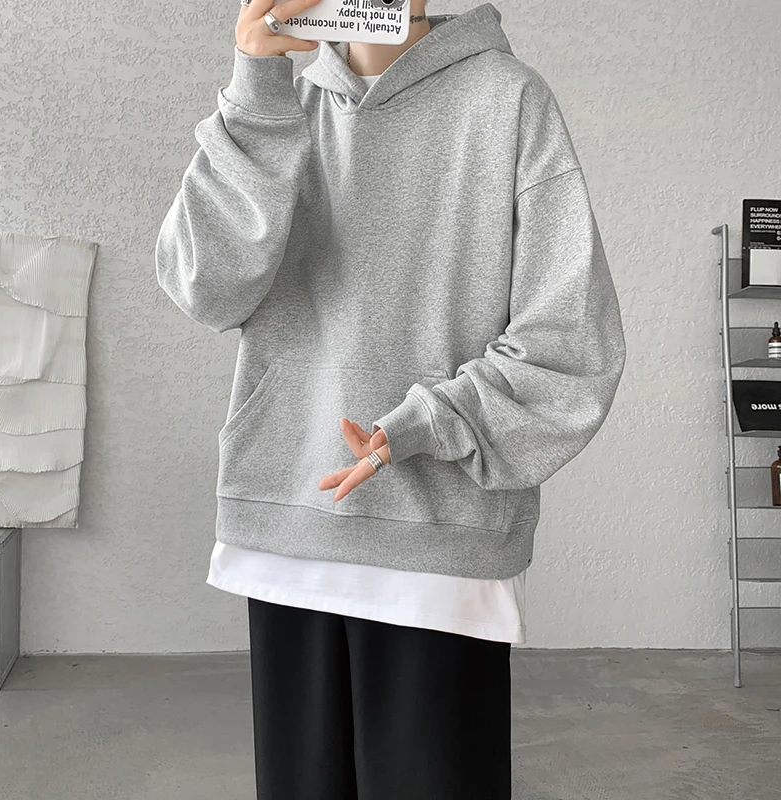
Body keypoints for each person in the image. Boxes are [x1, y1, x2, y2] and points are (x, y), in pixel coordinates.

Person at [154, 0, 627, 797]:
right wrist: (256, 89)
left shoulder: (507, 99)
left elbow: (571, 343)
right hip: (288, 530)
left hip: (439, 545)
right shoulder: (280, 105)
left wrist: (431, 422)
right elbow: (205, 286)